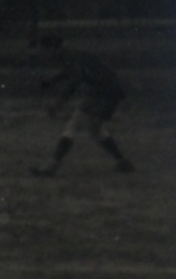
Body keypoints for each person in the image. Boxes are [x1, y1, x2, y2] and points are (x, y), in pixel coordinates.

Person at [30, 35, 134, 177]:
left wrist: (59, 101)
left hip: (102, 91)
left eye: (43, 50)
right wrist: (51, 82)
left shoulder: (70, 57)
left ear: (52, 49)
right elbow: (71, 74)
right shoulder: (71, 55)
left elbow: (75, 80)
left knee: (73, 125)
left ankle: (51, 166)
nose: (42, 55)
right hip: (110, 90)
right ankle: (122, 162)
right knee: (94, 128)